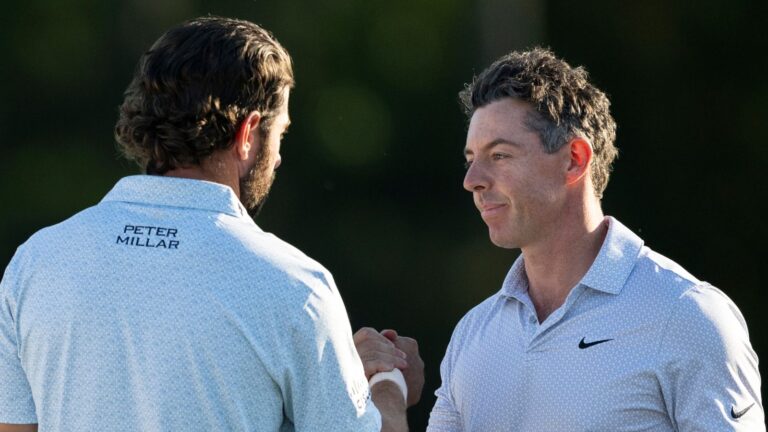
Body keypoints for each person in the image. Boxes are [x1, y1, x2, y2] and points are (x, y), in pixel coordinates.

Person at [0, 17, 422, 432]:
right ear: (248, 133)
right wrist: (388, 383)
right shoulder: (296, 287)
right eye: (280, 135)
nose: (278, 158)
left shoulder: (35, 264)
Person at [427, 48, 763, 431]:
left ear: (574, 159)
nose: (472, 180)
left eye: (499, 155)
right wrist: (388, 394)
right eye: (471, 159)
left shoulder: (688, 315)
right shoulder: (472, 334)